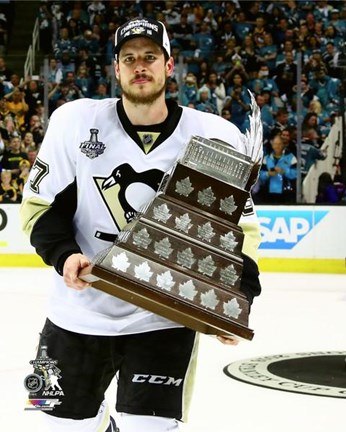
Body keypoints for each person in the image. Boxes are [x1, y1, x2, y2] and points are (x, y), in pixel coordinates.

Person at [20, 17, 262, 432]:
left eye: (150, 56)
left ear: (169, 66)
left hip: (165, 314)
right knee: (53, 417)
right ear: (116, 69)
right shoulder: (73, 122)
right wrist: (64, 256)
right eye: (128, 58)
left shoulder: (215, 135)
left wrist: (233, 299)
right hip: (75, 309)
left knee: (148, 427)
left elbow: (238, 231)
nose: (139, 66)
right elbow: (38, 209)